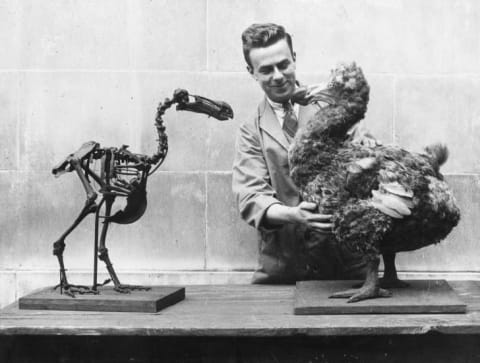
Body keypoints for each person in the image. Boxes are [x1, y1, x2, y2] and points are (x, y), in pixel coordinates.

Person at [232, 23, 379, 284]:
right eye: (266, 70)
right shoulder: (251, 130)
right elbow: (250, 196)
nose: (278, 76)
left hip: (345, 270)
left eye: (283, 64)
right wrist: (294, 215)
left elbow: (367, 155)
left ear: (294, 59)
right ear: (251, 72)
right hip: (283, 272)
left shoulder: (332, 108)